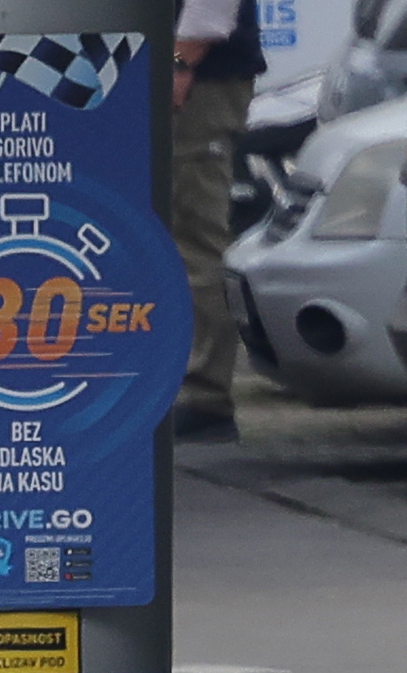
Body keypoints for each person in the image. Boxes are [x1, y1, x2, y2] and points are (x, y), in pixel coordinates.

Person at [169, 0, 264, 443]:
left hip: (197, 76)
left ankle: (202, 392)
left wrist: (180, 59)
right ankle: (186, 388)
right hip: (171, 63)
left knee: (191, 238)